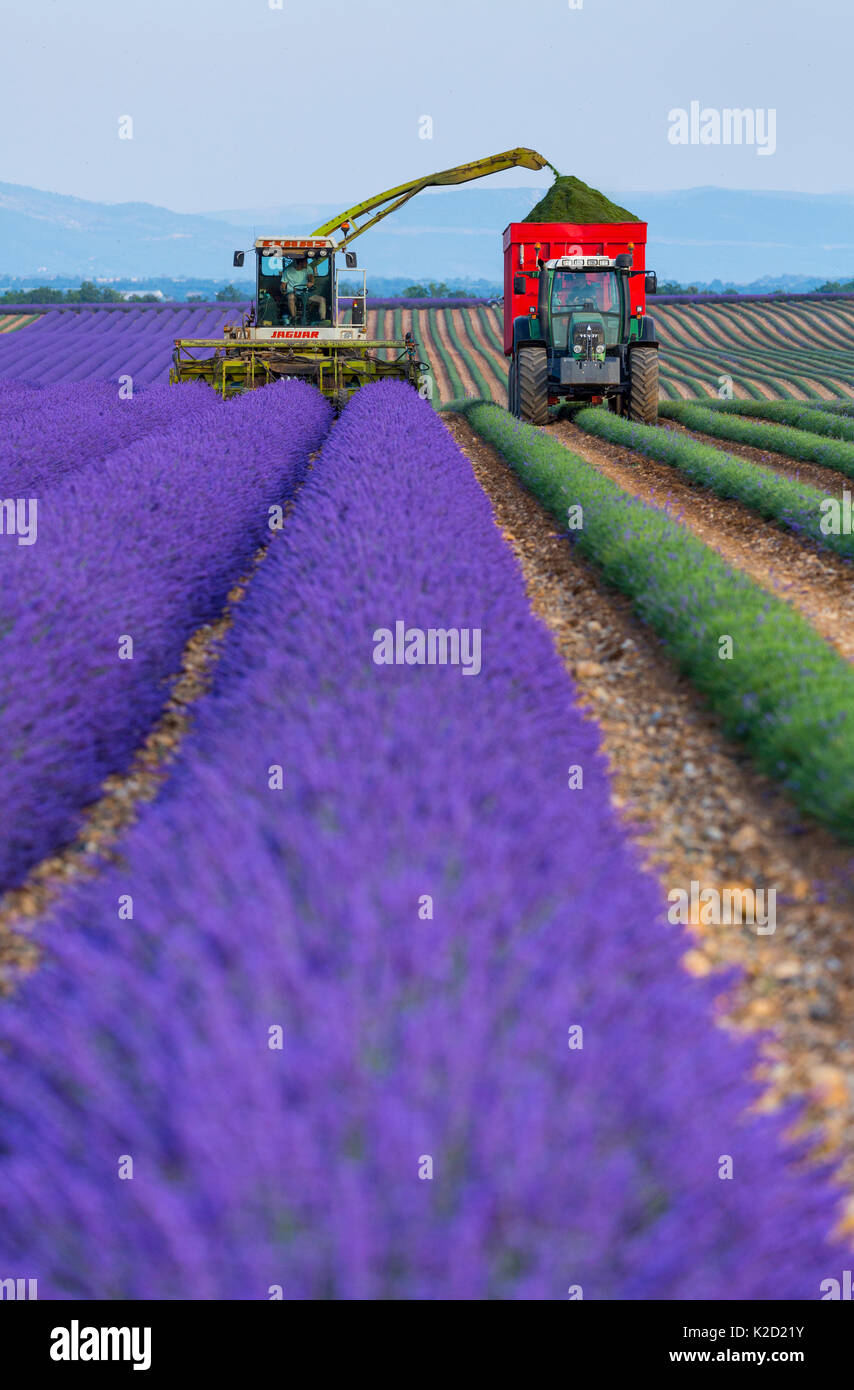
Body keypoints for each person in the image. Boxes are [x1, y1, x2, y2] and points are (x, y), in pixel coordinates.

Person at [282, 254, 326, 324]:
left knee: (322, 299)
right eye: (305, 262)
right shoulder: (288, 271)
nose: (307, 263)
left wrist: (311, 282)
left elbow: (311, 278)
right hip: (293, 293)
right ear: (300, 263)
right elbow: (283, 284)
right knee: (291, 297)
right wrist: (283, 291)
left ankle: (323, 321)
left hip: (306, 293)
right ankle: (294, 319)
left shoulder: (308, 268)